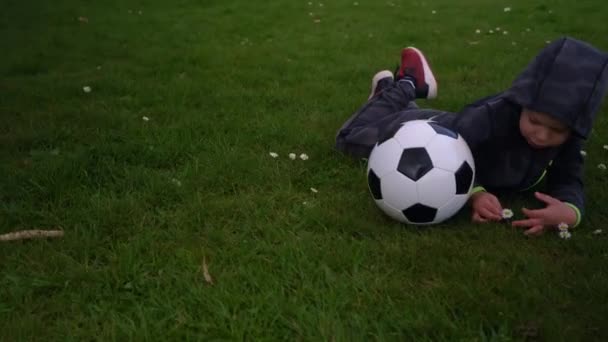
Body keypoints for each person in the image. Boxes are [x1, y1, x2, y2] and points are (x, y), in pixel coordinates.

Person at [335, 37, 608, 235]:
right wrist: (474, 192)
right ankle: (408, 83)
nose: (542, 134)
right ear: (523, 103)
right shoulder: (493, 115)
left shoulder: (568, 139)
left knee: (377, 118)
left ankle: (386, 92)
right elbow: (454, 155)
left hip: (433, 126)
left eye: (557, 130)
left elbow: (569, 177)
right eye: (535, 121)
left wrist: (570, 212)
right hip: (428, 131)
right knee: (348, 139)